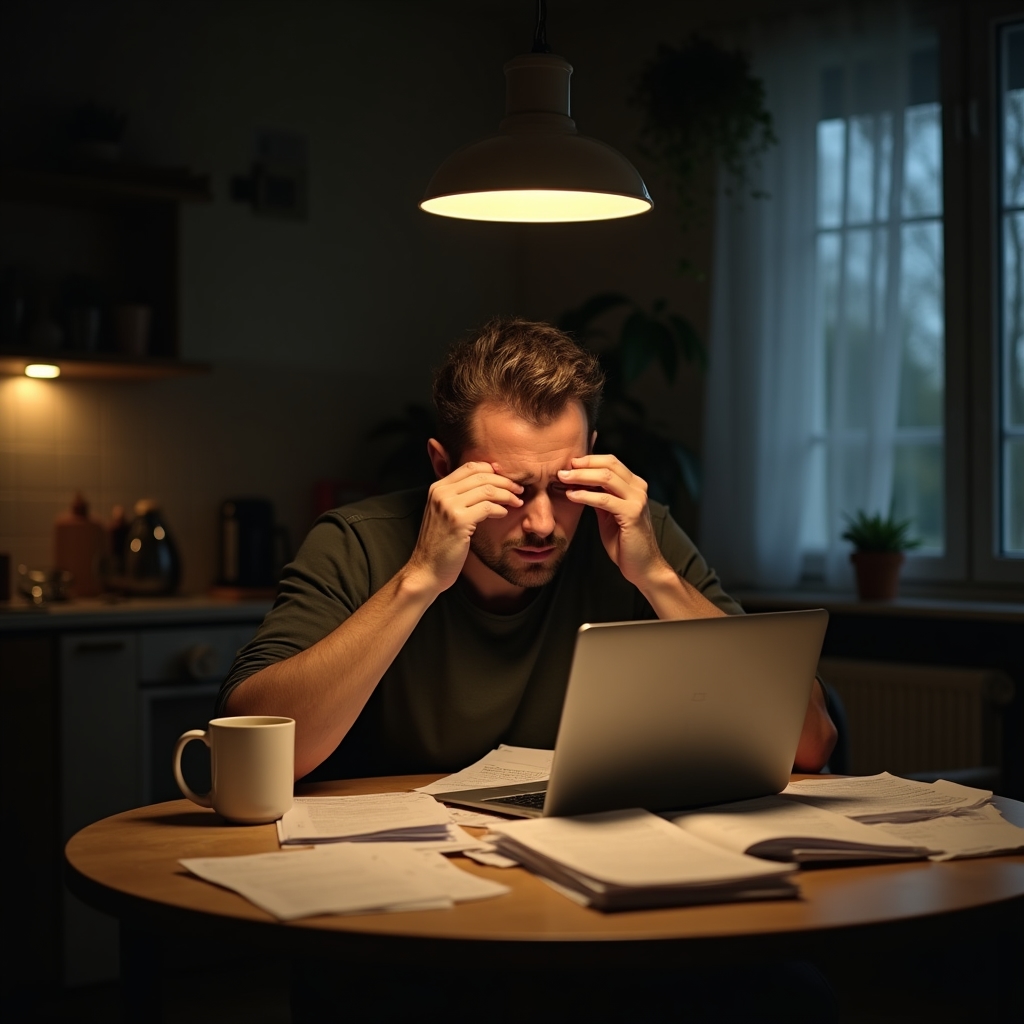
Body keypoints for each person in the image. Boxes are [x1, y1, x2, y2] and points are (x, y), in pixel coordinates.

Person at [220, 317, 836, 780]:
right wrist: (418, 580)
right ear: (442, 466)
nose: (542, 522)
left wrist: (659, 581)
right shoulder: (357, 542)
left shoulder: (633, 531)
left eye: (565, 485)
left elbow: (809, 743)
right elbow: (252, 753)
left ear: (593, 450)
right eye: (510, 490)